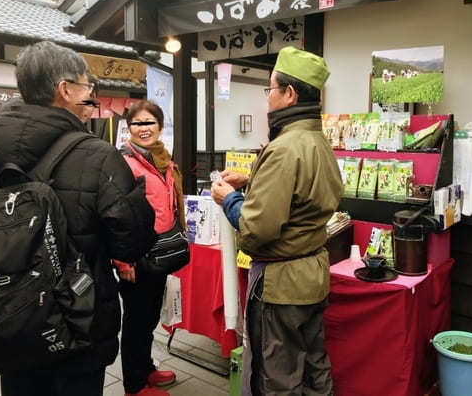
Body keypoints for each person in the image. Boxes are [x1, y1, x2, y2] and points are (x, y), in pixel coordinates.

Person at [0, 41, 157, 396]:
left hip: (10, 318)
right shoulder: (99, 157)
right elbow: (132, 241)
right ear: (65, 90)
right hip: (78, 321)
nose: (91, 96)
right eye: (88, 88)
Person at [211, 46, 343, 395]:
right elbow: (300, 196)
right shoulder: (318, 141)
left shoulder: (283, 148)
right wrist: (251, 179)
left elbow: (256, 230)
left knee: (277, 377)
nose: (267, 96)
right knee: (315, 367)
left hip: (281, 285)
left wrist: (230, 200)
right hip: (313, 274)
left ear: (289, 94)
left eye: (269, 88)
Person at [113, 100, 185, 396]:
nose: (144, 129)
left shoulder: (162, 159)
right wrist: (123, 261)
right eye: (137, 124)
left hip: (159, 252)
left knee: (150, 315)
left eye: (149, 122)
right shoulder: (122, 162)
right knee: (136, 320)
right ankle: (134, 385)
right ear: (128, 128)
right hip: (136, 255)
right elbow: (114, 213)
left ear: (160, 126)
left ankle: (146, 369)